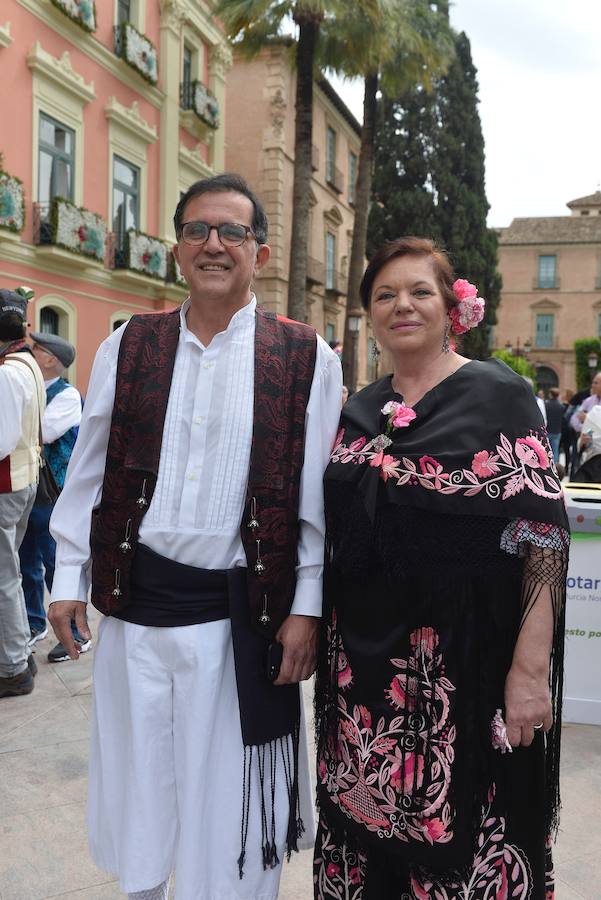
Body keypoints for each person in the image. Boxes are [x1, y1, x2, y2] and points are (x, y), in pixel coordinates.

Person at [48, 173, 342, 900]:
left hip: (239, 619)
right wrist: (66, 576)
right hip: (135, 611)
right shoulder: (130, 346)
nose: (213, 245)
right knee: (141, 782)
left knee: (231, 810)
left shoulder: (306, 356)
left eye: (232, 232)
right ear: (176, 249)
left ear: (260, 252)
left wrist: (306, 605)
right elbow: (90, 469)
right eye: (196, 231)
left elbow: (313, 498)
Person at [314, 238, 569, 900]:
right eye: (384, 295)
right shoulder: (358, 407)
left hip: (466, 666)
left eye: (418, 291)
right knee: (366, 835)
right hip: (362, 675)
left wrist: (528, 671)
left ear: (453, 305)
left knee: (463, 838)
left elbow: (541, 538)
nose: (401, 305)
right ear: (369, 313)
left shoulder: (497, 394)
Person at [19, 332, 86, 661]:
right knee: (26, 559)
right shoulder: (28, 386)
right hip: (26, 487)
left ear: (50, 360)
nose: (30, 351)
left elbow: (44, 431)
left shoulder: (67, 395)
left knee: (55, 560)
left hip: (51, 490)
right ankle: (34, 622)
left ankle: (75, 633)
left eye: (37, 349)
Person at [0, 288, 45, 698]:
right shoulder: (27, 364)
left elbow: (0, 439)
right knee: (8, 571)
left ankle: (13, 666)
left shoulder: (7, 372)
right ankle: (16, 655)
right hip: (24, 479)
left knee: (3, 576)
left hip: (6, 484)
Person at [568, 376, 601, 479]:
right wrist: (582, 428)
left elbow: (589, 419)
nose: (592, 385)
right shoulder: (588, 401)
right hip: (591, 458)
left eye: (596, 383)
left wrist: (589, 419)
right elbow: (575, 418)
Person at [572, 403, 601, 483]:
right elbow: (584, 439)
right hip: (593, 464)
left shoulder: (595, 413)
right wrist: (582, 442)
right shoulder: (595, 413)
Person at [545, 387, 564, 464]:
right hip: (557, 430)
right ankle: (556, 466)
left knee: (546, 450)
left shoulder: (546, 405)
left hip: (548, 430)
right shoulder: (561, 406)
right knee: (555, 450)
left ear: (550, 395)